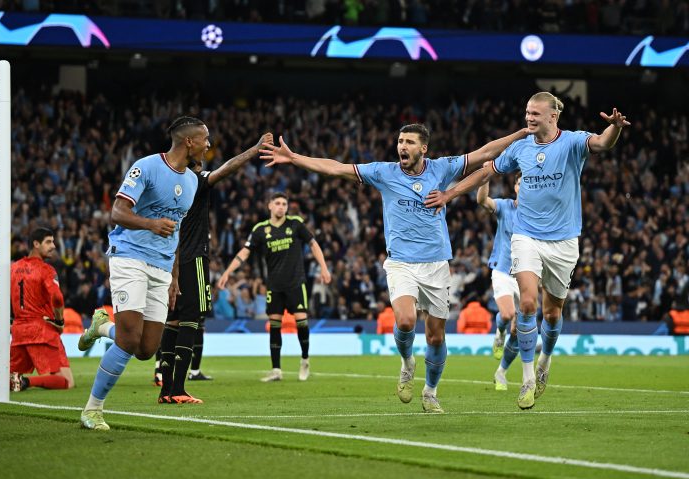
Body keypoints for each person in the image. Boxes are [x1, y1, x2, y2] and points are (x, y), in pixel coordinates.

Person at [260, 124, 530, 413]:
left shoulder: (440, 169)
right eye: (400, 140)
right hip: (401, 262)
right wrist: (297, 158)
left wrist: (519, 135)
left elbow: (484, 153)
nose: (402, 146)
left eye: (410, 142)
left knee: (436, 336)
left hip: (436, 264)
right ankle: (407, 363)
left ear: (423, 148)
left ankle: (430, 391)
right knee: (404, 321)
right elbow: (336, 168)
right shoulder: (383, 172)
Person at [424, 92, 629, 409]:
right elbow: (485, 172)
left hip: (563, 241)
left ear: (552, 116)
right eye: (527, 113)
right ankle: (528, 378)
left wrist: (615, 127)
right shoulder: (519, 148)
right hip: (527, 236)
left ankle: (545, 359)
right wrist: (449, 194)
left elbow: (602, 143)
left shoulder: (573, 142)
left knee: (552, 312)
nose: (529, 118)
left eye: (535, 113)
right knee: (529, 303)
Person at [78, 116, 203, 430]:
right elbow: (117, 212)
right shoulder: (146, 166)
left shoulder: (191, 180)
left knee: (147, 350)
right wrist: (149, 224)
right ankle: (92, 410)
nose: (209, 145)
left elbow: (176, 231)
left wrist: (174, 276)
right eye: (205, 139)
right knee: (128, 341)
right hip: (130, 257)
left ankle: (101, 326)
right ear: (189, 141)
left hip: (161, 268)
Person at [147, 132, 273, 404]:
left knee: (174, 321)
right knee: (192, 320)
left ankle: (166, 389)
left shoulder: (170, 185)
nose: (204, 165)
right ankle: (178, 388)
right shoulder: (196, 181)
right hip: (193, 259)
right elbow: (226, 169)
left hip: (169, 260)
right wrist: (254, 149)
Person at [217, 192, 332, 382]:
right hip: (275, 285)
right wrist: (228, 271)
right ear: (270, 205)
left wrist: (324, 268)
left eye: (284, 204)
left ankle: (304, 360)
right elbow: (245, 252)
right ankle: (276, 370)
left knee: (301, 322)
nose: (281, 207)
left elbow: (313, 244)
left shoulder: (295, 223)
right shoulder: (260, 229)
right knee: (275, 326)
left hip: (296, 283)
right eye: (277, 203)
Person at [0, 228, 75, 393]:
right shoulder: (46, 270)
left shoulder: (12, 268)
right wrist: (59, 321)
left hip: (19, 332)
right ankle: (26, 382)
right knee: (66, 381)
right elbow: (57, 298)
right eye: (49, 242)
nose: (54, 246)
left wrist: (8, 320)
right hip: (42, 330)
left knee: (8, 377)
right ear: (36, 244)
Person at [476, 175, 521, 391]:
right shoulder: (505, 207)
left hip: (526, 276)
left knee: (520, 331)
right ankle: (499, 334)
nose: (524, 187)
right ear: (515, 186)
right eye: (520, 183)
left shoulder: (538, 214)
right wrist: (485, 177)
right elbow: (483, 201)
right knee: (507, 314)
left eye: (528, 183)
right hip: (503, 271)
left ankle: (501, 373)